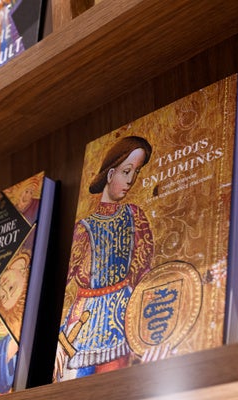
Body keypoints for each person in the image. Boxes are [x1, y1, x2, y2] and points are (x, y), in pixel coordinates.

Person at [54, 136, 154, 381]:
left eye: (136, 172)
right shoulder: (83, 228)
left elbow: (144, 271)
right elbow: (63, 286)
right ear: (110, 174)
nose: (131, 180)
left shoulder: (134, 216)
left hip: (122, 320)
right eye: (126, 171)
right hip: (83, 323)